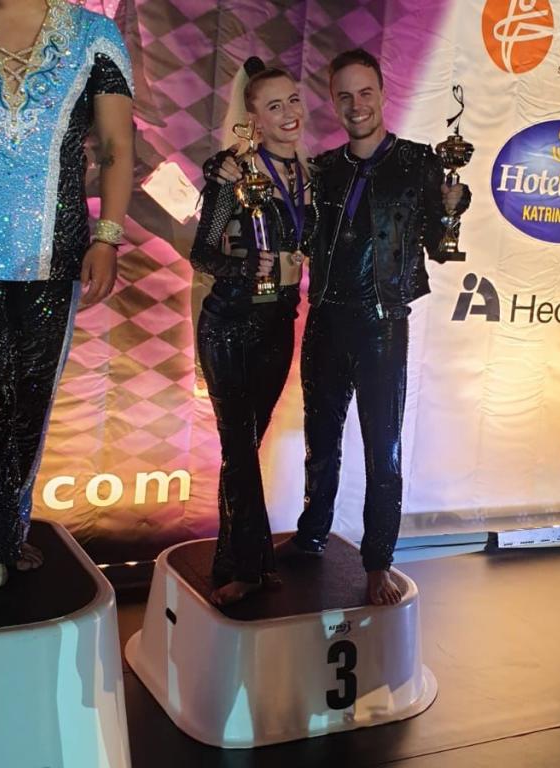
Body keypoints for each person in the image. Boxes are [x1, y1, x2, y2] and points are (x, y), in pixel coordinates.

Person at [211, 49, 469, 606]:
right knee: (320, 442)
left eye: (365, 92)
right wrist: (227, 173)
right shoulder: (323, 168)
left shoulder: (420, 162)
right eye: (344, 95)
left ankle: (378, 562)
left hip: (382, 325)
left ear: (382, 94)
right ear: (333, 101)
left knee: (383, 449)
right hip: (325, 320)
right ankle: (311, 534)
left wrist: (454, 204)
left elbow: (439, 245)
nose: (356, 105)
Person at [0, 0, 134, 608]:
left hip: (56, 255)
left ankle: (4, 538)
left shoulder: (94, 35)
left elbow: (116, 146)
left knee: (28, 404)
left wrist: (108, 237)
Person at [191, 57, 317, 606]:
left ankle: (231, 561)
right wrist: (244, 268)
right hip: (229, 324)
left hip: (279, 325)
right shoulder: (233, 175)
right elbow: (202, 253)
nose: (289, 113)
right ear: (254, 120)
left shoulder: (312, 177)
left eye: (293, 100)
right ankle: (249, 567)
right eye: (274, 106)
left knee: (244, 449)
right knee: (240, 449)